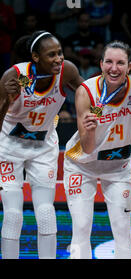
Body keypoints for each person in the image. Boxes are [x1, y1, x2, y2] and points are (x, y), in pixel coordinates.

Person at [0, 30, 84, 259]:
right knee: (13, 215)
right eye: (51, 55)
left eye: (60, 53)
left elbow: (90, 95)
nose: (58, 59)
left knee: (46, 212)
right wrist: (6, 102)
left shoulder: (67, 70)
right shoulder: (12, 76)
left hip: (43, 145)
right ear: (35, 57)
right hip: (9, 145)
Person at [63, 40, 131, 259]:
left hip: (119, 167)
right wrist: (89, 131)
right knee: (81, 227)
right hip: (81, 165)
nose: (114, 68)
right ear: (100, 64)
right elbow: (88, 146)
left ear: (129, 66)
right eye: (109, 62)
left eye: (120, 63)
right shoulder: (86, 92)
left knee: (122, 229)